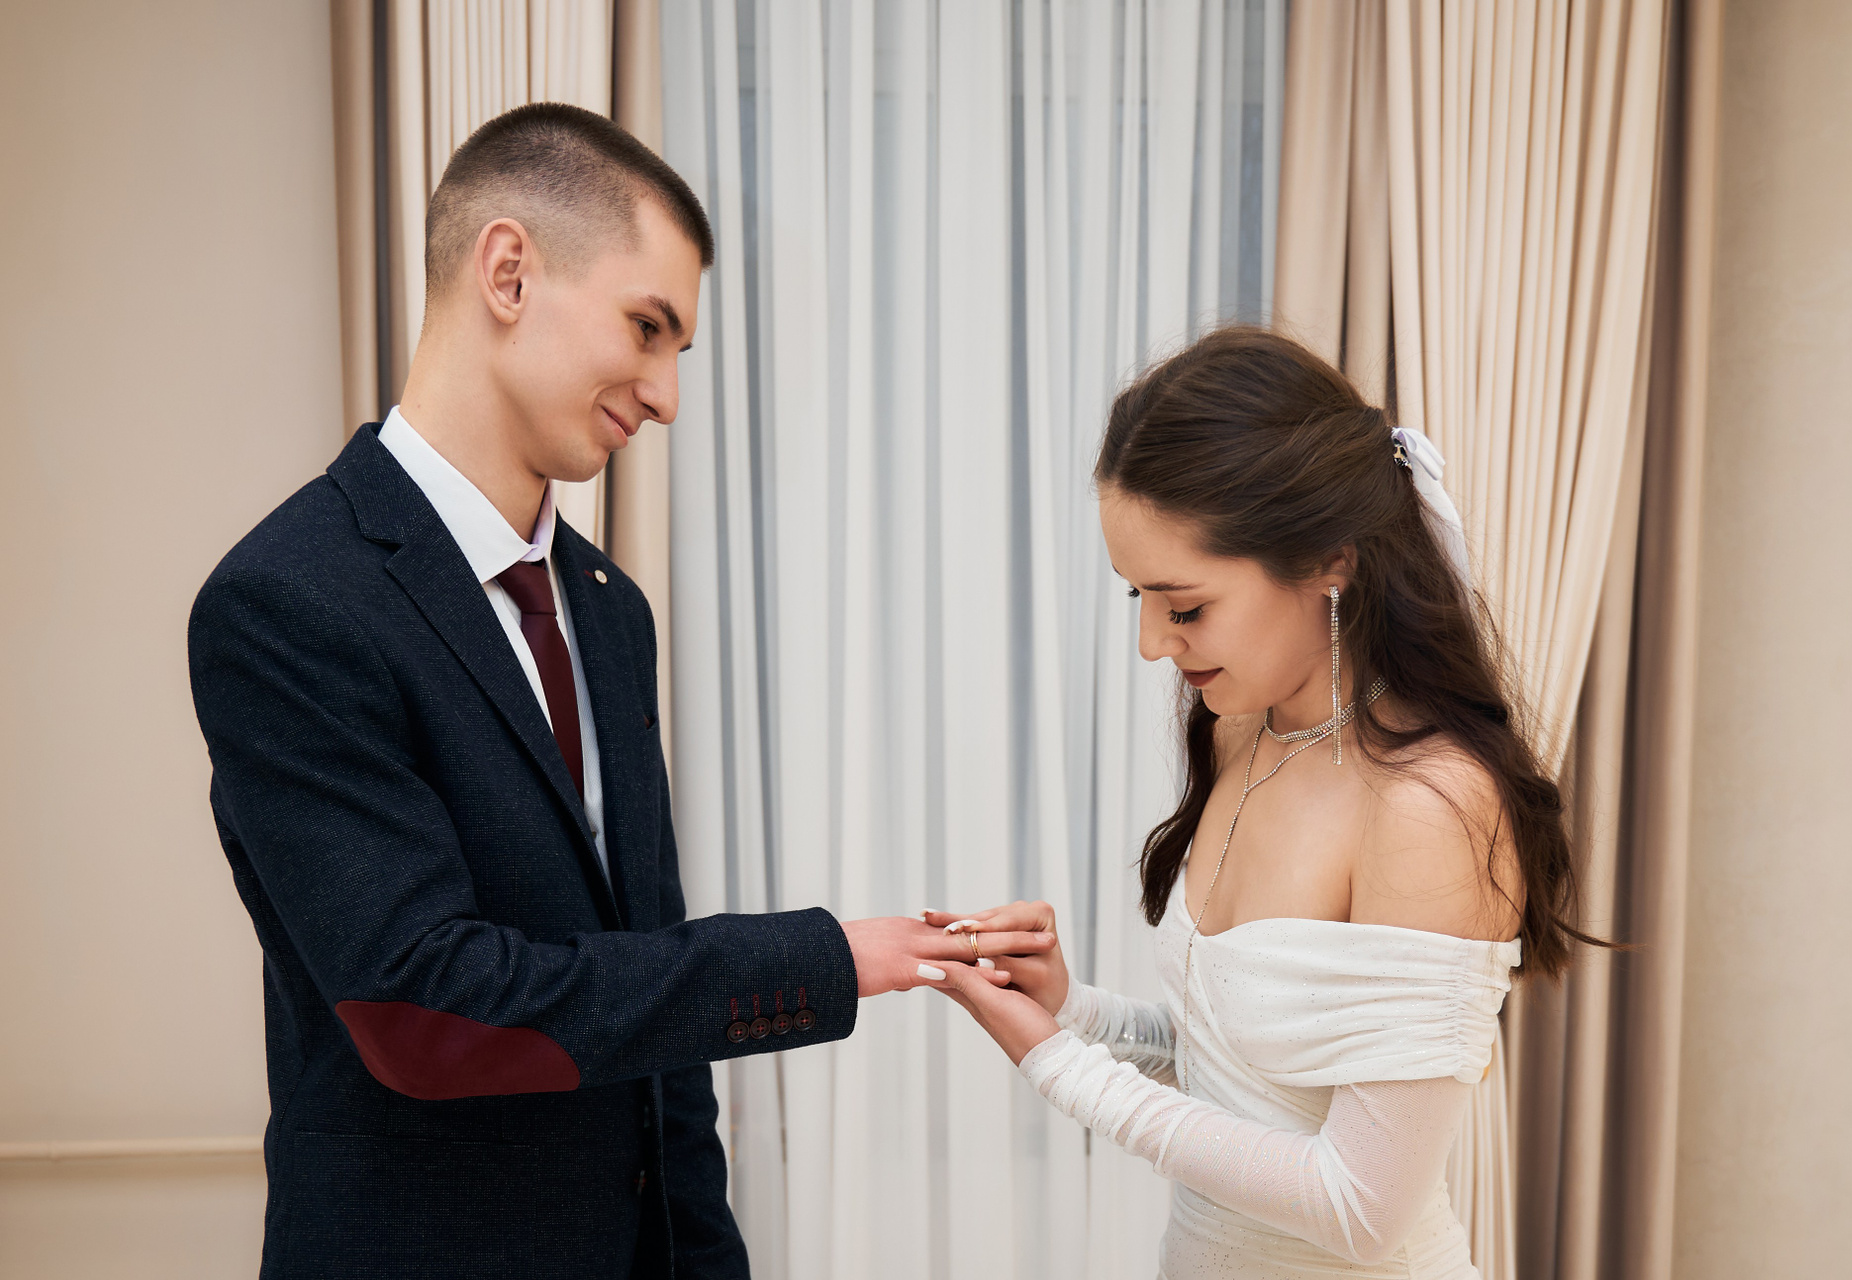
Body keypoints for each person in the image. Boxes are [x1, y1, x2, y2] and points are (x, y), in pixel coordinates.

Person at [187, 103, 1039, 1280]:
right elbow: (428, 1013)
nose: (667, 394)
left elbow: (655, 1025)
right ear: (507, 271)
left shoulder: (608, 608)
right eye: (648, 328)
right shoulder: (287, 600)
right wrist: (822, 956)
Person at [921, 326, 1604, 1278]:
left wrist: (1058, 1065)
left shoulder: (1431, 806)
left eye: (1185, 605)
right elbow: (1239, 1071)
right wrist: (1073, 1010)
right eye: (1136, 598)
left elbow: (1360, 1209)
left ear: (1331, 560)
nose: (1155, 644)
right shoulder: (1245, 731)